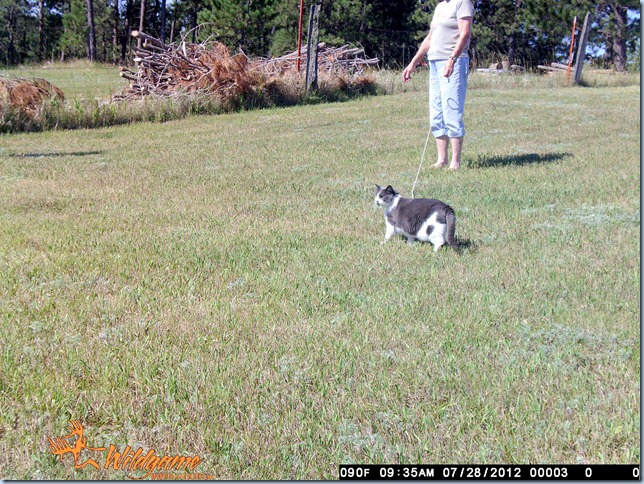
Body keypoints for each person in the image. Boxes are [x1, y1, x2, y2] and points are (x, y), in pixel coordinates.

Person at [402, 0, 474, 170]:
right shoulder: (440, 6)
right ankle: (442, 160)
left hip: (453, 62)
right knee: (436, 112)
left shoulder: (462, 3)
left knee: (452, 110)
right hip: (434, 63)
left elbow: (465, 34)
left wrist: (452, 59)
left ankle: (455, 162)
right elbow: (430, 38)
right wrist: (413, 63)